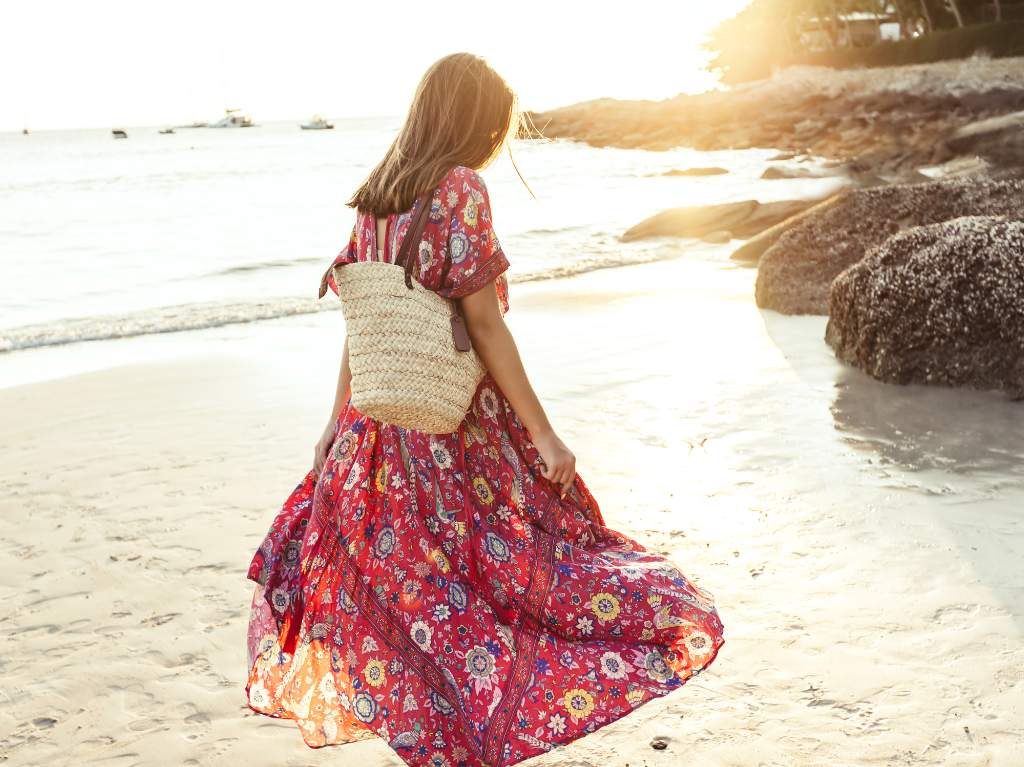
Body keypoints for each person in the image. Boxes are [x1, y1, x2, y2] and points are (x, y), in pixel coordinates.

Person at [244, 52, 724, 767]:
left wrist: (330, 425)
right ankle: (473, 739)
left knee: (426, 599)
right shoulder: (459, 188)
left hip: (376, 438)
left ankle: (443, 743)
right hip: (453, 435)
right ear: (475, 121)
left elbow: (366, 323)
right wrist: (545, 432)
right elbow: (486, 325)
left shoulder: (376, 194)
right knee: (515, 582)